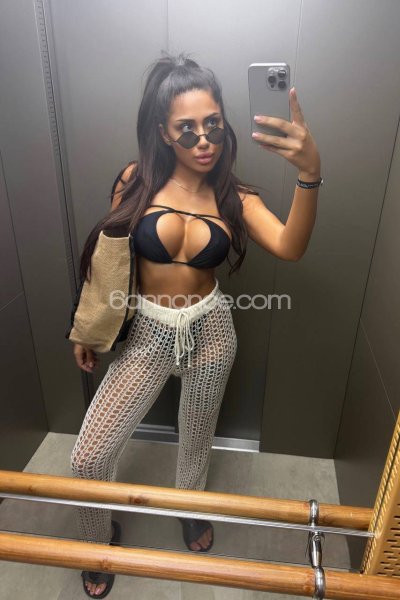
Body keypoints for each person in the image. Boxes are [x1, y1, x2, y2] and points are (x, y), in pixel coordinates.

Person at [70, 50, 321, 597]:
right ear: (163, 132)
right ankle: (96, 539)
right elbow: (109, 264)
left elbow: (290, 246)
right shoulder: (134, 180)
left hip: (211, 332)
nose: (204, 140)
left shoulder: (234, 195)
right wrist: (86, 331)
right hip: (149, 334)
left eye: (214, 124)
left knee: (196, 438)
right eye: (187, 128)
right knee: (89, 456)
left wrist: (309, 173)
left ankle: (189, 505)